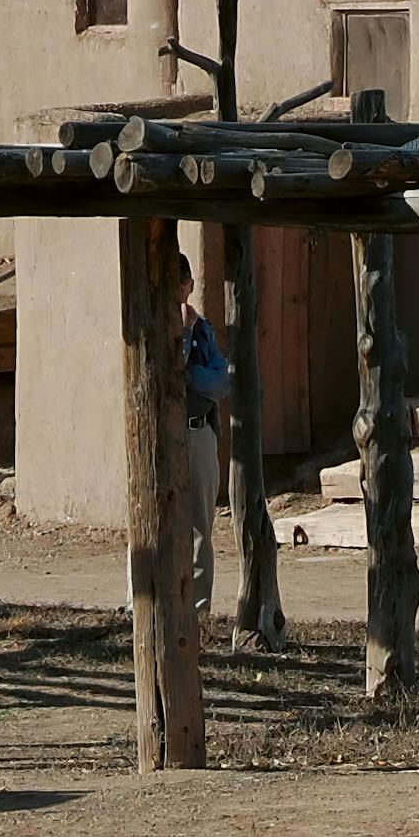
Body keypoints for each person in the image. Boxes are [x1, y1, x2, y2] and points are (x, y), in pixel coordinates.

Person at [177, 254, 233, 611]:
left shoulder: (204, 328)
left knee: (200, 526)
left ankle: (198, 609)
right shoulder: (160, 325)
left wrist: (189, 379)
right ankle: (141, 603)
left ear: (189, 285)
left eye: (182, 285)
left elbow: (222, 380)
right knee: (156, 523)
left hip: (199, 433)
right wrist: (181, 333)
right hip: (165, 437)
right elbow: (166, 370)